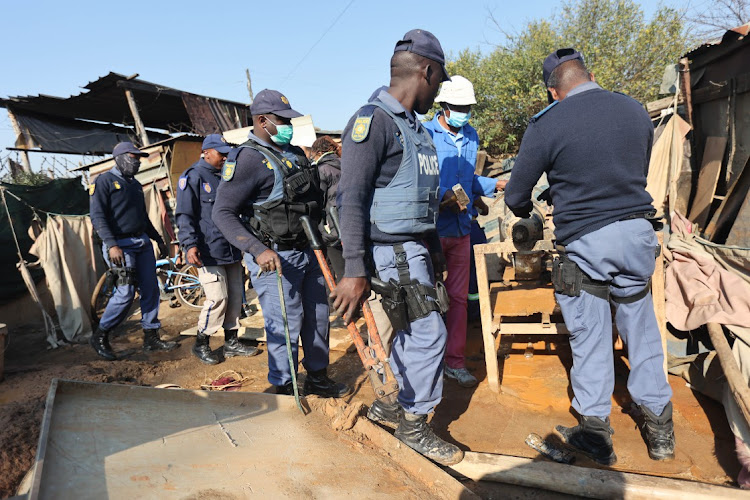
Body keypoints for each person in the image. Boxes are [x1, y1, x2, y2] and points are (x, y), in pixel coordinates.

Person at [504, 48, 675, 465]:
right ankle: (661, 433)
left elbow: (514, 196)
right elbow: (628, 167)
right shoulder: (634, 110)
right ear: (590, 75)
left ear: (552, 92)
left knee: (591, 335)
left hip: (587, 243)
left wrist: (545, 199)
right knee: (642, 330)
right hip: (638, 236)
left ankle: (596, 434)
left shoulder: (548, 123)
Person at [331, 29, 463, 466]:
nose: (439, 89)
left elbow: (419, 199)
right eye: (440, 80)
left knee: (412, 333)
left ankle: (394, 405)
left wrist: (437, 253)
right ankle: (414, 424)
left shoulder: (414, 129)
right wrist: (354, 269)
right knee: (429, 335)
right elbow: (351, 198)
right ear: (425, 70)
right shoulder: (374, 122)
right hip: (393, 252)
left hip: (416, 251)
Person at [212, 89, 350, 398]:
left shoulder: (296, 153)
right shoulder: (246, 159)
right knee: (285, 324)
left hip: (309, 251)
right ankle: (285, 387)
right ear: (263, 121)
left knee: (317, 318)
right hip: (274, 257)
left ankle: (317, 377)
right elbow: (222, 212)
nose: (288, 125)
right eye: (282, 120)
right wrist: (257, 250)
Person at [423, 75, 504, 388]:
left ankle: (454, 362)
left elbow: (469, 180)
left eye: (467, 107)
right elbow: (417, 182)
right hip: (430, 230)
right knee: (425, 298)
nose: (464, 112)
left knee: (458, 298)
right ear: (443, 106)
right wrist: (439, 199)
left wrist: (493, 184)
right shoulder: (425, 134)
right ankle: (428, 363)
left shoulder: (470, 136)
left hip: (460, 229)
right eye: (458, 107)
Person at [89, 141, 179, 360]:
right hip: (120, 246)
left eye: (139, 158)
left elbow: (142, 218)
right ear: (119, 158)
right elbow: (97, 217)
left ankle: (151, 337)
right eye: (133, 157)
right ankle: (101, 335)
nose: (137, 162)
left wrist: (157, 239)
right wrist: (112, 245)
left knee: (151, 290)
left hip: (142, 244)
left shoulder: (136, 185)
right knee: (125, 293)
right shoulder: (104, 182)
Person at [175, 134, 259, 365]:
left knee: (234, 297)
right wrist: (189, 245)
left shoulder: (224, 176)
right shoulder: (192, 177)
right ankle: (201, 342)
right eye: (220, 153)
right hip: (207, 250)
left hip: (230, 248)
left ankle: (231, 341)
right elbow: (185, 215)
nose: (224, 157)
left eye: (226, 153)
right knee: (217, 298)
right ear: (206, 152)